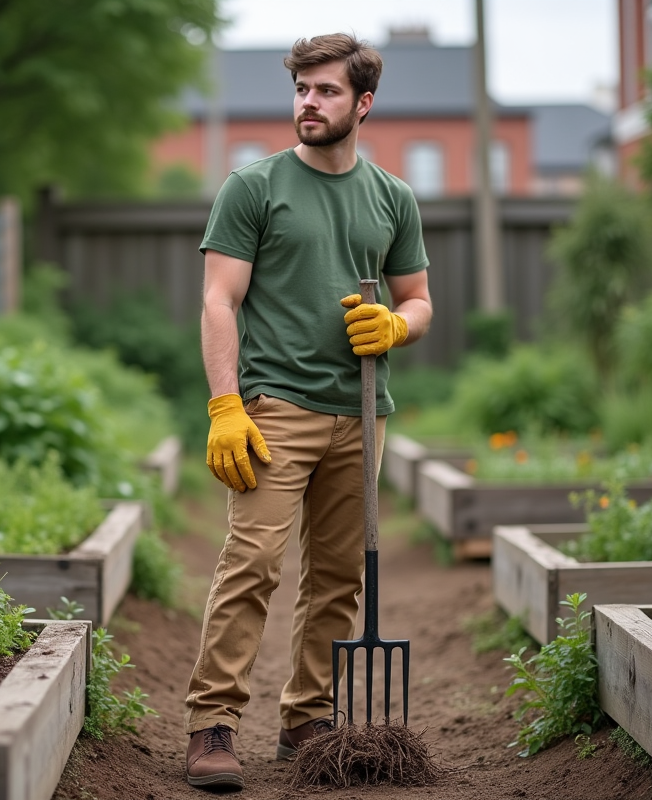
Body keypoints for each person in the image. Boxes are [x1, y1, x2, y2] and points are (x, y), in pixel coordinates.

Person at [183, 33, 434, 790]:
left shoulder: (392, 197)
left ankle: (307, 721)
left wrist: (397, 325)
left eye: (325, 91)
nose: (308, 103)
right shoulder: (254, 188)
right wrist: (225, 406)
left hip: (362, 412)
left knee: (336, 577)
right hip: (274, 407)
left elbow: (420, 300)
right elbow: (218, 300)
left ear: (363, 104)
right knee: (252, 561)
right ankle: (212, 722)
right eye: (301, 89)